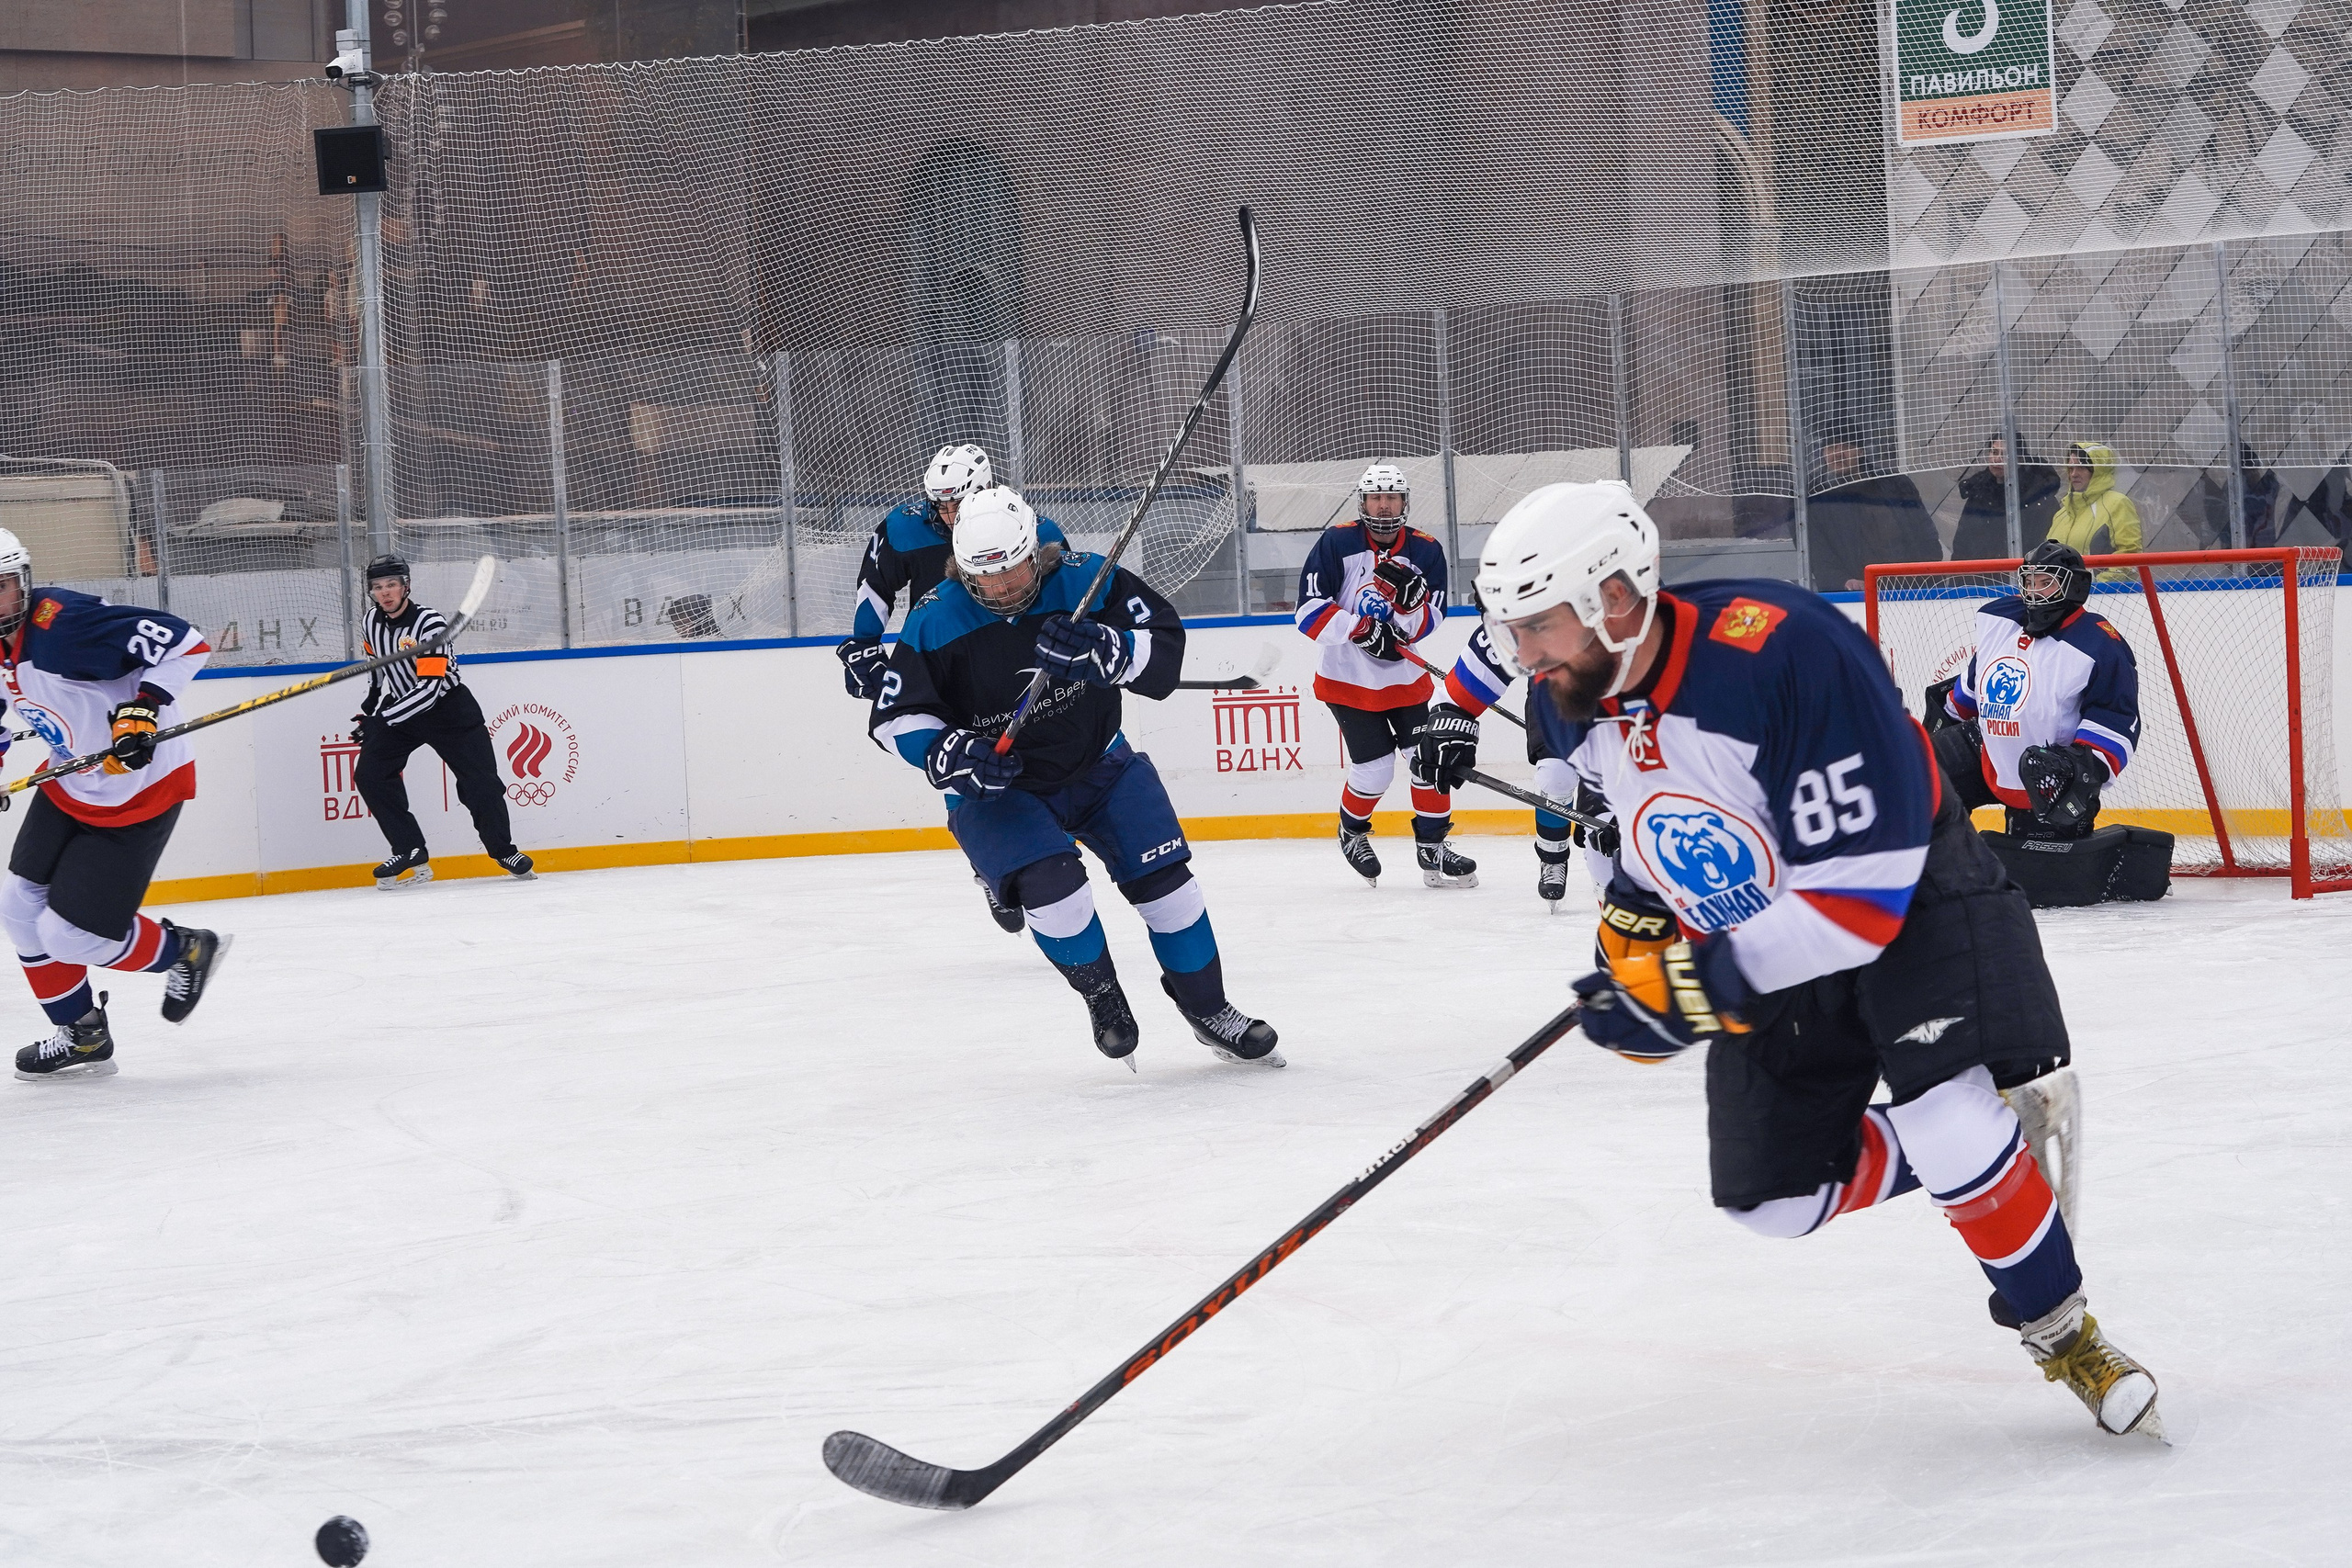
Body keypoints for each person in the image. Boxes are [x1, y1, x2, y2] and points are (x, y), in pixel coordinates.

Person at [1418, 481, 2162, 1440]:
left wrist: (1692, 990)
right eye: (1510, 632)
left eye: (1538, 627)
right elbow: (1654, 829)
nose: (1523, 655)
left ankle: (2062, 1331)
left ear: (1612, 598)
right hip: (1766, 918)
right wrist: (1634, 935)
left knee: (1940, 1114)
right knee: (1772, 1199)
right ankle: (1983, 1143)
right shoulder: (1572, 693)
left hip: (1905, 887)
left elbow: (1857, 904)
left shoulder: (1780, 652)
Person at [868, 486, 1280, 1069]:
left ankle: (1207, 1008)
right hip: (999, 790)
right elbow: (895, 718)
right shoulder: (934, 618)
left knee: (1174, 894)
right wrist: (956, 753)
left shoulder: (1086, 580)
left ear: (1034, 550)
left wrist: (1108, 649)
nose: (1004, 589)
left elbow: (1162, 647)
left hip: (1102, 765)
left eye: (1013, 569)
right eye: (985, 579)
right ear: (961, 570)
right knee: (1057, 898)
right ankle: (1102, 996)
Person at [0, 528, 232, 1079]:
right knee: (17, 905)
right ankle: (83, 1034)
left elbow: (186, 642)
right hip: (70, 777)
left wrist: (142, 710)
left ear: (24, 583)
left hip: (139, 789)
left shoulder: (64, 626)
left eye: (2, 587)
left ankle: (186, 951)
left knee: (68, 936)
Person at [837, 443, 1068, 934]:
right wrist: (863, 644)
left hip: (1016, 665)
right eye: (939, 503)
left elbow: (1064, 595)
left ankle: (1041, 848)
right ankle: (987, 862)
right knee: (959, 759)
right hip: (944, 666)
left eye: (957, 501)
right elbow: (875, 585)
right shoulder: (904, 527)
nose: (947, 513)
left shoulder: (1031, 529)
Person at [1927, 542, 2167, 905]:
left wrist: (2079, 768)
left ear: (2073, 587)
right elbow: (1974, 685)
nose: (2034, 591)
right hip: (1987, 749)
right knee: (1921, 771)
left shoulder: (2100, 644)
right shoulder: (2001, 622)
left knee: (2033, 890)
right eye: (2030, 581)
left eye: (2046, 583)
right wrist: (1941, 716)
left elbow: (2115, 719)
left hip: (2049, 775)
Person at [1295, 462, 1476, 888]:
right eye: (1376, 497)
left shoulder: (1426, 549)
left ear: (1404, 503)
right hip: (1347, 681)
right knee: (1375, 771)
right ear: (1363, 502)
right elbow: (1306, 610)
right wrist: (1358, 628)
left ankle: (1433, 848)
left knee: (1427, 762)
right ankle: (1352, 831)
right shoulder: (1337, 542)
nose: (1383, 505)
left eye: (1391, 497)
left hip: (1404, 680)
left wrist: (1405, 620)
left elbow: (1435, 612)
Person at [353, 555, 535, 891]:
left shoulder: (429, 624)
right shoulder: (370, 623)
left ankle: (504, 851)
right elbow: (379, 675)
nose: (385, 593)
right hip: (403, 708)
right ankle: (409, 849)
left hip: (449, 711)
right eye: (378, 587)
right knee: (370, 774)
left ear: (405, 585)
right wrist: (372, 714)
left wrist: (386, 720)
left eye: (391, 584)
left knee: (480, 784)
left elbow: (430, 689)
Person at [1422, 623, 1612, 906]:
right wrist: (1451, 713)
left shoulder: (1640, 604)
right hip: (1554, 690)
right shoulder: (1542, 595)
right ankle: (1552, 856)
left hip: (1626, 707)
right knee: (1555, 776)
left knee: (1607, 843)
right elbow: (1501, 639)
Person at [1804, 435, 1940, 592]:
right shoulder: (1818, 500)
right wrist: (1843, 582)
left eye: (1846, 446)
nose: (1838, 453)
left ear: (1861, 451)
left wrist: (1926, 574)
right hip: (1857, 598)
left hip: (1913, 591)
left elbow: (1925, 535)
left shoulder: (1895, 485)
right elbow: (1820, 556)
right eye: (1831, 448)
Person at [1949, 434, 2063, 562]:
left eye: (2005, 455)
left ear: (2019, 458)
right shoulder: (1979, 491)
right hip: (1979, 576)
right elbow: (1963, 542)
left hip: (2024, 575)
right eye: (1994, 452)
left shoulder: (2037, 497)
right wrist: (1959, 578)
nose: (1997, 459)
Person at [2045, 442, 2143, 576]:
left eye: (2081, 468)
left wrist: (2098, 586)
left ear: (2098, 471)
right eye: (2071, 468)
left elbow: (2130, 555)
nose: (2074, 474)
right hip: (2064, 594)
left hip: (2103, 594)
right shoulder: (2062, 514)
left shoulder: (2117, 504)